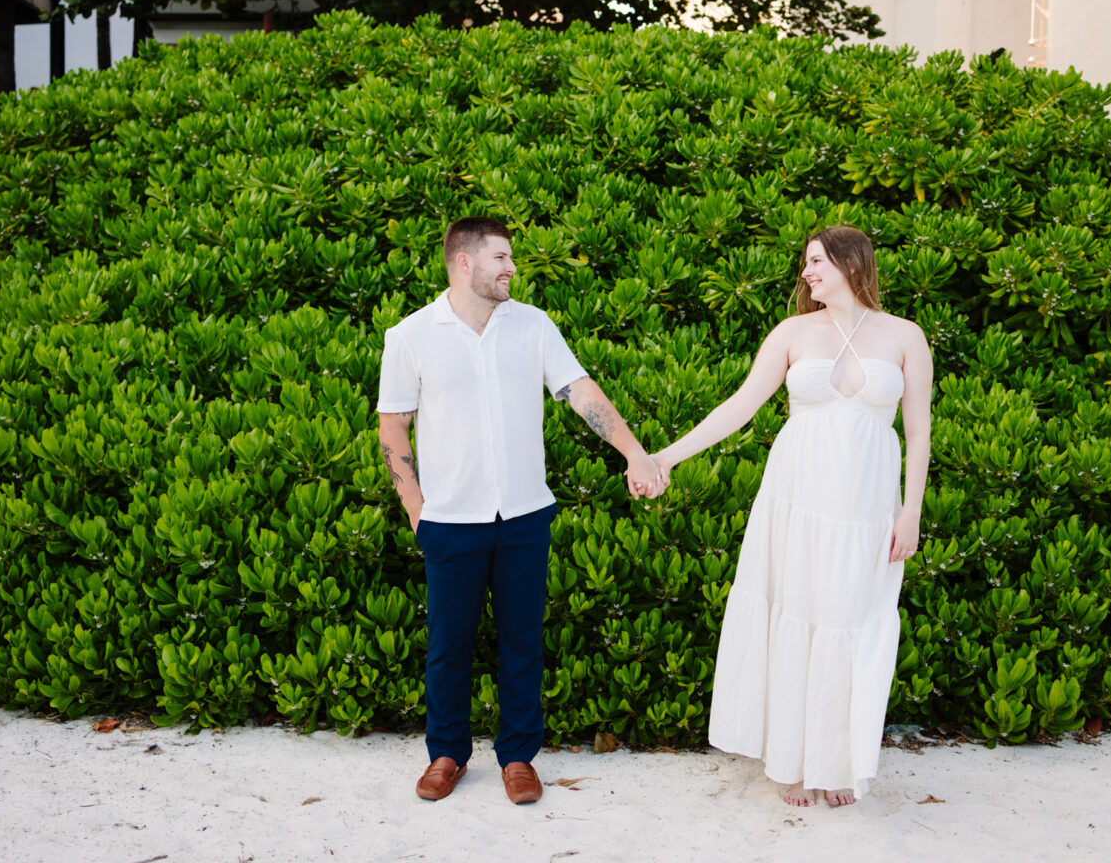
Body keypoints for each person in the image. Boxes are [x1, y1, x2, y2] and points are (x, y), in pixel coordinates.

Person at [376, 217, 665, 805]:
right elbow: (393, 425)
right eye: (501, 257)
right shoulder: (409, 336)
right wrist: (416, 511)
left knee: (522, 642)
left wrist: (635, 452)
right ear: (464, 262)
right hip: (450, 523)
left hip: (525, 516)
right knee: (448, 646)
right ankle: (447, 754)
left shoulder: (534, 326)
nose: (512, 267)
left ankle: (518, 758)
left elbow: (580, 392)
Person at [651, 226, 932, 807]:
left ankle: (835, 761)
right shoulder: (792, 333)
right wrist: (667, 456)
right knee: (797, 614)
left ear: (852, 264)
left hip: (865, 506)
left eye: (817, 262)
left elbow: (919, 431)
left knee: (849, 621)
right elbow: (740, 406)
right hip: (797, 499)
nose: (807, 272)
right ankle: (797, 763)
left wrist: (911, 512)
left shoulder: (905, 336)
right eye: (805, 263)